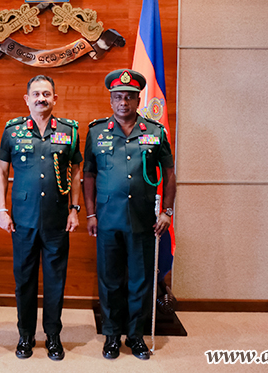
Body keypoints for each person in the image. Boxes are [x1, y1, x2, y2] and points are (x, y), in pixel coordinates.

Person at [82, 68, 176, 360]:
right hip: (108, 219)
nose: (124, 102)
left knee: (140, 279)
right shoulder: (96, 132)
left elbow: (170, 175)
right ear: (111, 100)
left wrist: (167, 212)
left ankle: (135, 336)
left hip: (143, 219)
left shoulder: (155, 132)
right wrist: (90, 213)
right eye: (118, 97)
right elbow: (89, 175)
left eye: (130, 97)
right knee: (109, 280)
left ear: (138, 100)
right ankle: (111, 335)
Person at [0, 75, 82, 361]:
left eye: (46, 94)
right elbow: (2, 173)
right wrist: (1, 210)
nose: (41, 98)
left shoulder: (69, 131)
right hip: (23, 220)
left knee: (55, 280)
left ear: (55, 98)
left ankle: (53, 336)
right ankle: (25, 335)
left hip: (57, 220)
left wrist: (74, 208)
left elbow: (77, 172)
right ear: (27, 98)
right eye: (36, 94)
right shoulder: (13, 130)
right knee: (24, 280)